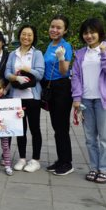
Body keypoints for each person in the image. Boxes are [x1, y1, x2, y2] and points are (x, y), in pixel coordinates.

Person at [71, 18, 106, 185]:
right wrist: (76, 98)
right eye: (85, 32)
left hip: (104, 100)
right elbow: (76, 77)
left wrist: (103, 54)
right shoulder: (80, 54)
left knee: (105, 138)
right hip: (86, 100)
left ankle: (105, 170)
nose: (89, 35)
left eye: (92, 32)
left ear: (99, 33)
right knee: (90, 138)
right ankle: (94, 168)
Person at [5, 24, 46, 173]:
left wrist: (27, 70)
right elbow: (7, 73)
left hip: (32, 97)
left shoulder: (37, 54)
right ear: (19, 35)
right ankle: (22, 158)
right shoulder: (12, 54)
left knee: (35, 128)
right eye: (23, 34)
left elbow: (40, 74)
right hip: (16, 97)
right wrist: (16, 77)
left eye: (29, 35)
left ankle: (35, 160)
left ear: (33, 37)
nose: (26, 37)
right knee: (20, 129)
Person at [43, 15, 75, 176]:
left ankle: (67, 163)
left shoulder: (65, 46)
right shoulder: (49, 45)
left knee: (62, 127)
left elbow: (64, 72)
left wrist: (61, 57)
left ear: (65, 30)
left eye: (59, 27)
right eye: (52, 26)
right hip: (50, 87)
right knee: (56, 127)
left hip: (62, 88)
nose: (54, 30)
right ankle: (61, 160)